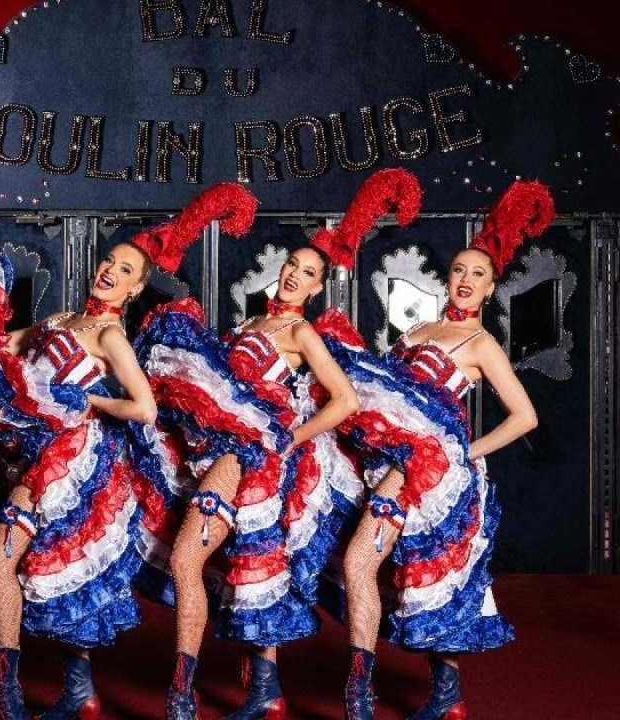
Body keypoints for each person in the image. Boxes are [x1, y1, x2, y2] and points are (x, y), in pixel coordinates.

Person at [0, 183, 254, 720]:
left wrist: (89, 400)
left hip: (77, 463)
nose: (110, 271)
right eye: (109, 261)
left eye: (125, 271)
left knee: (55, 568)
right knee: (7, 561)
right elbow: (2, 349)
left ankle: (56, 691)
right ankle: (25, 688)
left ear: (134, 290)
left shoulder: (111, 338)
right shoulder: (59, 320)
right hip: (33, 453)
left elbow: (146, 409)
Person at [131, 169, 425, 720]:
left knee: (202, 560)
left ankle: (184, 697)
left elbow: (342, 400)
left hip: (252, 459)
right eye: (291, 266)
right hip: (213, 449)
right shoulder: (249, 327)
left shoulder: (301, 333)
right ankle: (262, 691)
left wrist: (292, 437)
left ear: (318, 287)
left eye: (306, 272)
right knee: (244, 570)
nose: (293, 275)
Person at [329, 179, 553, 720]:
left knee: (366, 561)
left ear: (492, 287)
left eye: (478, 274)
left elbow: (526, 416)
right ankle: (445, 692)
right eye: (459, 270)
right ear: (447, 278)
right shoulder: (418, 330)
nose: (466, 280)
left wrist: (463, 452)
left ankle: (359, 694)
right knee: (411, 572)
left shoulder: (481, 345)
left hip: (428, 469)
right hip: (388, 460)